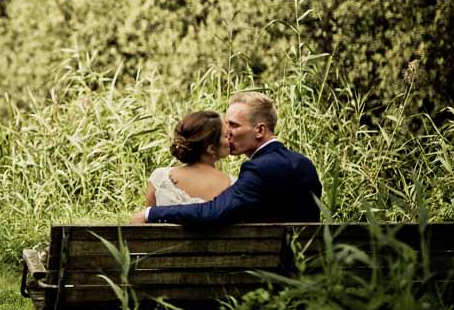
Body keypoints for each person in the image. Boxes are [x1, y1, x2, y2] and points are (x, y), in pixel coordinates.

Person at [131, 91, 321, 225]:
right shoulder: (305, 164)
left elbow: (213, 212)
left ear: (260, 130)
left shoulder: (257, 170)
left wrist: (151, 213)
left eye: (234, 125)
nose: (228, 132)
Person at [146, 110, 233, 207]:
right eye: (226, 136)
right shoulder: (233, 185)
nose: (230, 138)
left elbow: (147, 218)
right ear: (211, 148)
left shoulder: (160, 179)